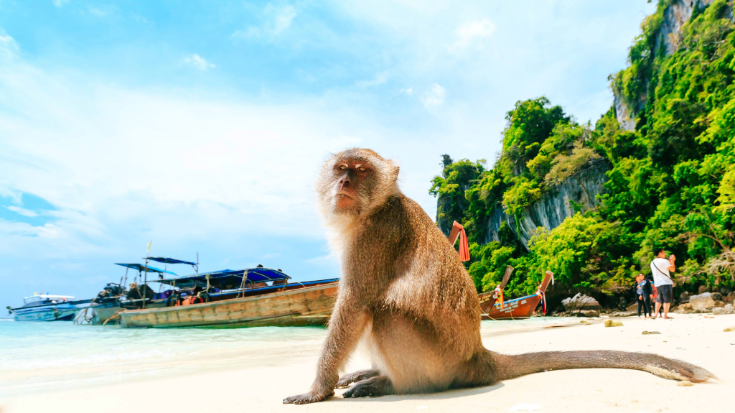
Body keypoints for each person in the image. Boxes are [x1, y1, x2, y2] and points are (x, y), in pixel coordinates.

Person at [650, 248, 676, 319]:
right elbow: (672, 269)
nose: (664, 254)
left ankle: (655, 314)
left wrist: (669, 262)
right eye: (663, 252)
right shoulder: (664, 261)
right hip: (666, 282)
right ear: (660, 253)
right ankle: (665, 315)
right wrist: (672, 261)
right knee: (666, 300)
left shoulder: (652, 262)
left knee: (659, 299)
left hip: (657, 283)